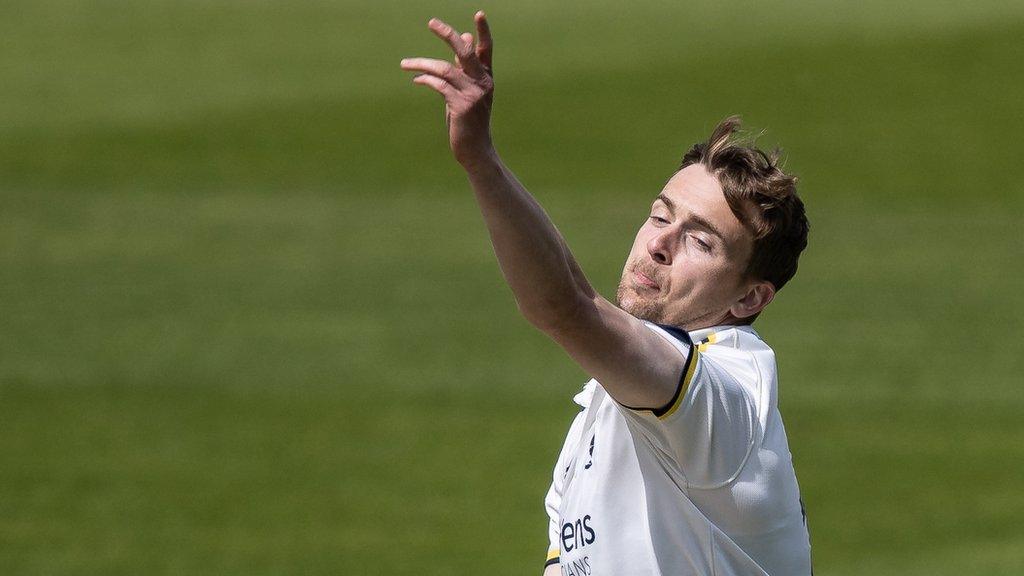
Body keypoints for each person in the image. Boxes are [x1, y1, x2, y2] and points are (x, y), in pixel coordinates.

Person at [401, 12, 812, 576]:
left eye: (700, 241)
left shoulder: (725, 402)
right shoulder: (605, 407)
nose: (659, 244)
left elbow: (566, 307)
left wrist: (482, 160)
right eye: (659, 216)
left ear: (749, 300)